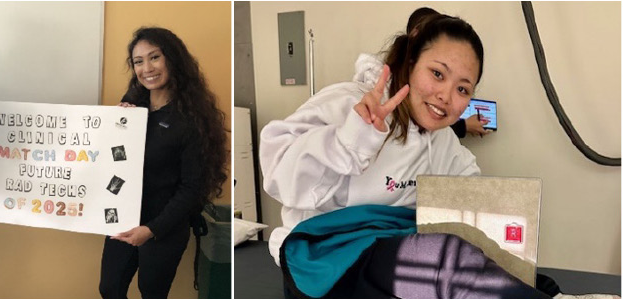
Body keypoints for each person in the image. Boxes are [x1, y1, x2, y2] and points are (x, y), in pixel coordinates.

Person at [259, 7, 612, 299]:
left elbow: (469, 193)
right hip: (327, 255)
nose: (446, 95)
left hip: (392, 249)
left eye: (462, 88)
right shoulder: (348, 103)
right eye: (437, 74)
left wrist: (504, 241)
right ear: (411, 61)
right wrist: (348, 140)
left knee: (529, 277)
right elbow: (277, 174)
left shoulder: (443, 142)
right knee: (438, 256)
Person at [101, 27, 229, 298]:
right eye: (138, 61)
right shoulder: (131, 110)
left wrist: (151, 230)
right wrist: (115, 126)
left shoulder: (192, 120)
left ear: (172, 59)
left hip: (164, 227)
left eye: (155, 57)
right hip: (123, 219)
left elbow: (192, 188)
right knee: (109, 289)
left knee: (152, 292)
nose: (147, 67)